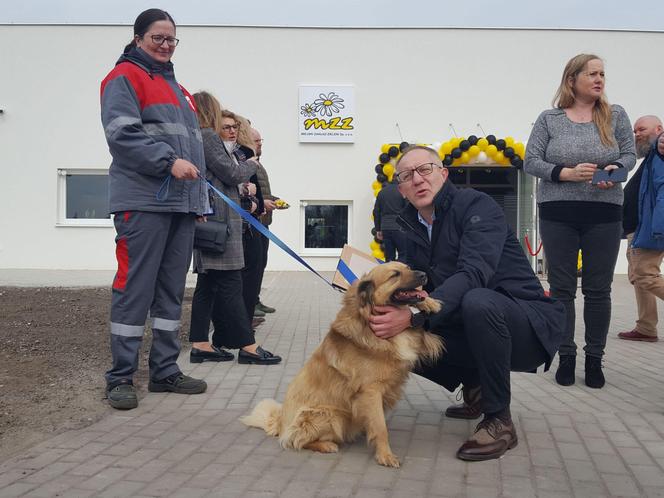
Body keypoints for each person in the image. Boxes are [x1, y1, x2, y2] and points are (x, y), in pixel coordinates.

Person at [368, 145, 565, 461]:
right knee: (386, 329)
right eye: (407, 175)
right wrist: (370, 295)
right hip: (467, 320)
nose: (417, 179)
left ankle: (499, 419)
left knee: (477, 301)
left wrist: (416, 317)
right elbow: (409, 276)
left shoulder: (477, 205)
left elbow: (474, 273)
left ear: (443, 174)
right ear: (401, 189)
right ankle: (475, 387)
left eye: (425, 170)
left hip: (524, 323)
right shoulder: (404, 223)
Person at [100, 8, 208, 410]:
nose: (165, 45)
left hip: (179, 206)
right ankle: (120, 378)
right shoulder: (123, 78)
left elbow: (192, 150)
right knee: (134, 290)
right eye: (157, 38)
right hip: (143, 204)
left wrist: (199, 201)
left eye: (171, 39)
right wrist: (167, 162)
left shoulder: (179, 91)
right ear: (138, 38)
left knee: (170, 294)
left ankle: (165, 371)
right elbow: (122, 135)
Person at [524, 53, 636, 389]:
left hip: (603, 212)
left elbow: (630, 154)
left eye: (602, 74)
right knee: (561, 290)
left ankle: (595, 359)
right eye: (592, 74)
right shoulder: (550, 119)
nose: (599, 79)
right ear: (572, 79)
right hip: (559, 211)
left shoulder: (615, 115)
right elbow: (531, 161)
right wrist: (565, 173)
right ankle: (566, 354)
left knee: (598, 290)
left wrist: (617, 169)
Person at [188, 94, 280, 365]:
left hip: (212, 222)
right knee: (230, 282)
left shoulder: (198, 138)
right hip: (222, 224)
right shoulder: (208, 137)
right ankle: (248, 347)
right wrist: (249, 164)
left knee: (208, 285)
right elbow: (231, 173)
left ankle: (201, 344)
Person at [619, 116, 664, 342]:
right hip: (636, 228)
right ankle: (646, 327)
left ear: (659, 129)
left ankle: (646, 326)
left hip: (647, 228)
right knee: (638, 277)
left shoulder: (659, 151)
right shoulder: (649, 158)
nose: (637, 134)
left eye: (642, 129)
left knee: (645, 275)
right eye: (635, 130)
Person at [251, 127, 278, 316]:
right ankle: (251, 304)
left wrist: (273, 200)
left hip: (263, 221)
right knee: (254, 264)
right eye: (256, 141)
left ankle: (255, 299)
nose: (260, 144)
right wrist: (263, 203)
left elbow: (262, 193)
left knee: (261, 263)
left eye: (261, 140)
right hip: (253, 221)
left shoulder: (259, 165)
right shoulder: (248, 164)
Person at [373, 179, 407, 261]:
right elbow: (407, 209)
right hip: (400, 227)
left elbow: (376, 212)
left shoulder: (382, 192)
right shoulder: (402, 191)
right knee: (403, 255)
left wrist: (378, 229)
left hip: (385, 228)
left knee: (389, 256)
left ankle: (389, 272)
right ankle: (400, 273)